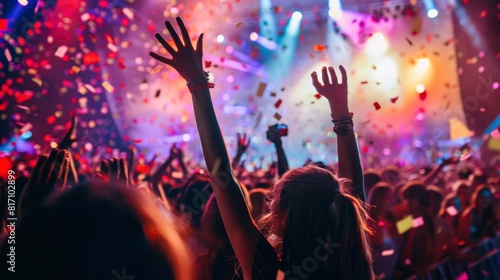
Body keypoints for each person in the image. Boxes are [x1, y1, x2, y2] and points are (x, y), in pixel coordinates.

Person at [149, 17, 374, 279]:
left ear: (286, 216)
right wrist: (340, 115)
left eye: (274, 199)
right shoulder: (353, 260)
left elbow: (224, 182)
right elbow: (223, 179)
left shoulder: (268, 268)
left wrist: (198, 84)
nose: (269, 207)